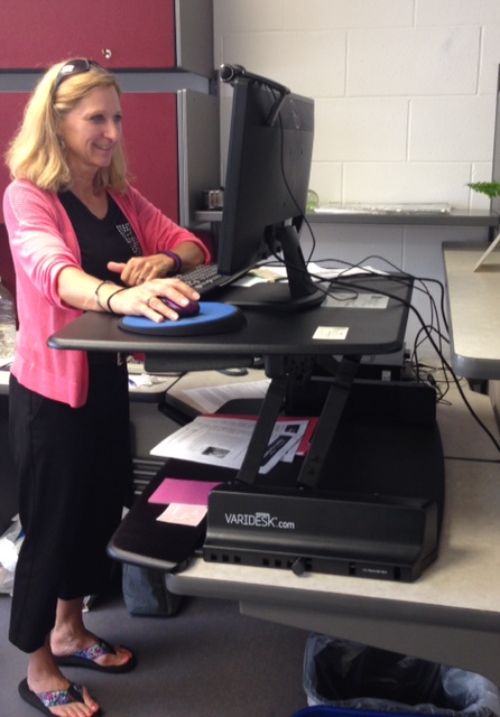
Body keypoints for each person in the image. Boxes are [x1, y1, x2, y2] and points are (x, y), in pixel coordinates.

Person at [3, 58, 211, 717]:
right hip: (52, 392)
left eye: (116, 117)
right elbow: (49, 271)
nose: (113, 131)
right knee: (51, 526)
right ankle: (37, 667)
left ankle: (70, 628)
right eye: (96, 117)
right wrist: (122, 292)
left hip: (106, 381)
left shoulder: (117, 196)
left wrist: (164, 259)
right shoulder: (28, 195)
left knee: (96, 513)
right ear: (57, 122)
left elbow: (191, 244)